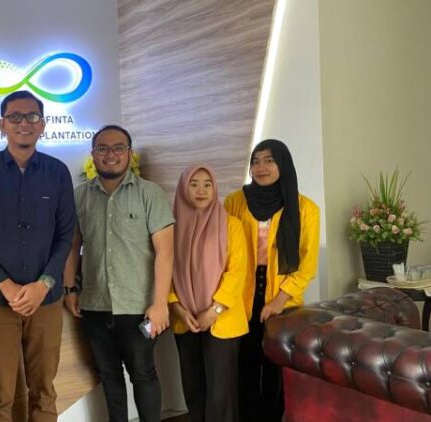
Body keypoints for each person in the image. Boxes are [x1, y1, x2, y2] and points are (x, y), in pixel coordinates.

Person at [0, 90, 76, 422]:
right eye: (15, 117)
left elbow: (65, 236)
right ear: (2, 124)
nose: (24, 123)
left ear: (43, 124)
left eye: (32, 116)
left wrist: (44, 284)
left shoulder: (57, 172)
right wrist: (6, 285)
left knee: (45, 391)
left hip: (46, 301)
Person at [63, 125, 174, 422]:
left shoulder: (150, 193)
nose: (110, 154)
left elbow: (165, 252)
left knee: (143, 374)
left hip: (138, 306)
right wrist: (70, 289)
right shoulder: (79, 196)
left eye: (117, 148)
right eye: (102, 148)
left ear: (129, 153)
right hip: (95, 304)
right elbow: (72, 246)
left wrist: (160, 303)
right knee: (109, 376)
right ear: (93, 154)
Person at [224, 139, 320, 422]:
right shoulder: (235, 202)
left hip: (283, 295)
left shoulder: (306, 208)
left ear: (283, 164)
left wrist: (279, 299)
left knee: (275, 366)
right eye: (255, 161)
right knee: (245, 364)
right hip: (242, 291)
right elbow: (225, 250)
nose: (261, 167)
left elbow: (307, 264)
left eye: (269, 160)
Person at [169, 164, 248, 422]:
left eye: (207, 184)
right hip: (185, 319)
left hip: (222, 319)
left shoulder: (231, 225)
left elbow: (237, 273)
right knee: (193, 388)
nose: (201, 190)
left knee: (220, 393)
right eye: (193, 185)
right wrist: (177, 308)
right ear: (183, 189)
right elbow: (165, 271)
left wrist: (213, 311)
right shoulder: (171, 228)